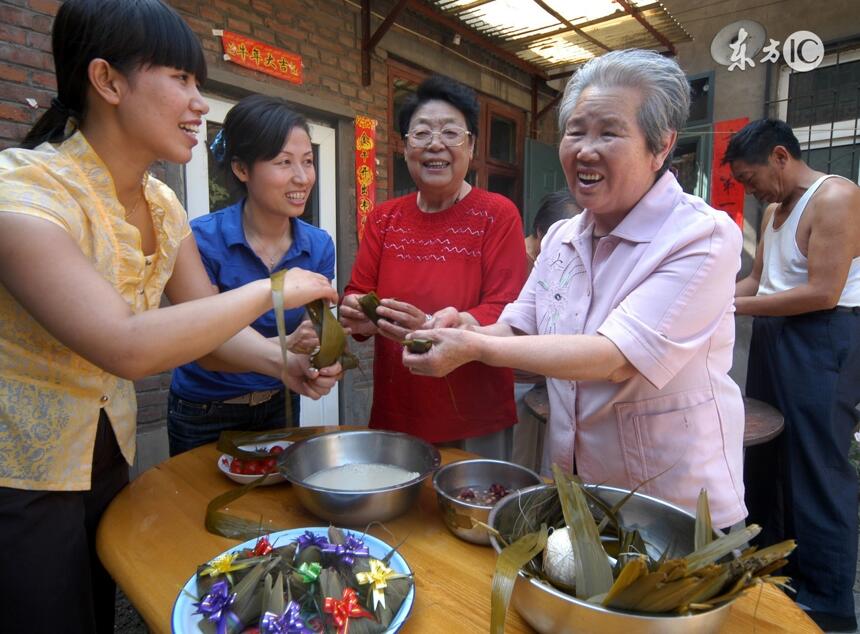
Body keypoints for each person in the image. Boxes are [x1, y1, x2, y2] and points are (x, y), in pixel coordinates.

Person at [0, 2, 340, 632]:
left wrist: (283, 364)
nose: (198, 104)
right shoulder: (23, 194)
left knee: (98, 605)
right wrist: (275, 290)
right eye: (181, 80)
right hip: (20, 466)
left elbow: (207, 333)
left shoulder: (161, 203)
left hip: (107, 449)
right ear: (108, 82)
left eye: (197, 83)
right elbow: (125, 346)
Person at [403, 50, 747, 529]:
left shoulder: (701, 236)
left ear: (660, 147)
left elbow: (615, 356)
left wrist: (476, 347)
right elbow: (518, 328)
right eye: (575, 131)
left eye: (608, 132)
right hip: (573, 486)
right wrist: (469, 326)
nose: (585, 150)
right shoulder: (563, 237)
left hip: (670, 498)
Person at [339, 75, 526, 456]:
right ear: (404, 147)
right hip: (399, 410)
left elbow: (505, 310)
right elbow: (358, 294)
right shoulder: (383, 219)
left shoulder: (497, 214)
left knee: (471, 512)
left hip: (474, 413)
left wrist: (430, 326)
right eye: (421, 134)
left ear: (471, 146)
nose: (435, 144)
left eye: (450, 133)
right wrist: (355, 311)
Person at [724, 118, 860, 632]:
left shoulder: (835, 197)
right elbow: (758, 281)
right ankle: (772, 571)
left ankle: (827, 602)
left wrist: (737, 309)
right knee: (765, 455)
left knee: (815, 467)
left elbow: (824, 291)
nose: (749, 189)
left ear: (780, 156)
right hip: (778, 336)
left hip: (825, 335)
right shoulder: (778, 208)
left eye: (750, 177)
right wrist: (712, 298)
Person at [167, 95, 335, 455]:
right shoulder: (200, 240)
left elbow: (315, 333)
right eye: (283, 162)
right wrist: (286, 346)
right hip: (203, 410)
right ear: (242, 169)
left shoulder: (319, 246)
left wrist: (324, 354)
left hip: (280, 404)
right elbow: (205, 346)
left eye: (308, 161)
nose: (302, 177)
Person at [513, 190, 580, 470]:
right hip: (519, 379)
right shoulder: (519, 260)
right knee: (522, 457)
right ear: (543, 232)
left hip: (547, 381)